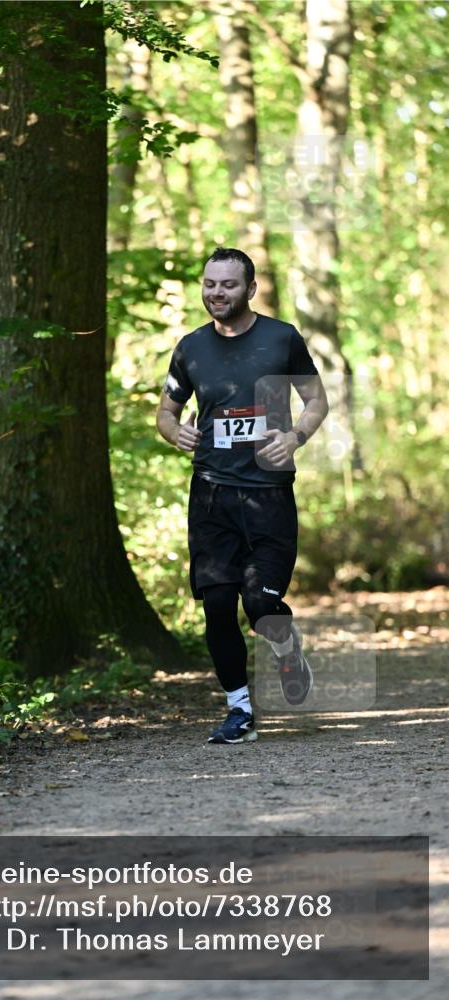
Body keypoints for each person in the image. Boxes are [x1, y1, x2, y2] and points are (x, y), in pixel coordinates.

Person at [156, 247, 329, 744]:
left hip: (268, 494)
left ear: (250, 289)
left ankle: (287, 650)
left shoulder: (282, 339)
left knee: (260, 601)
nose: (217, 293)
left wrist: (294, 436)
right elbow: (166, 413)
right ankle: (240, 710)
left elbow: (315, 399)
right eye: (210, 284)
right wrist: (175, 433)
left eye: (228, 285)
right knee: (216, 605)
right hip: (211, 494)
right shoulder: (190, 347)